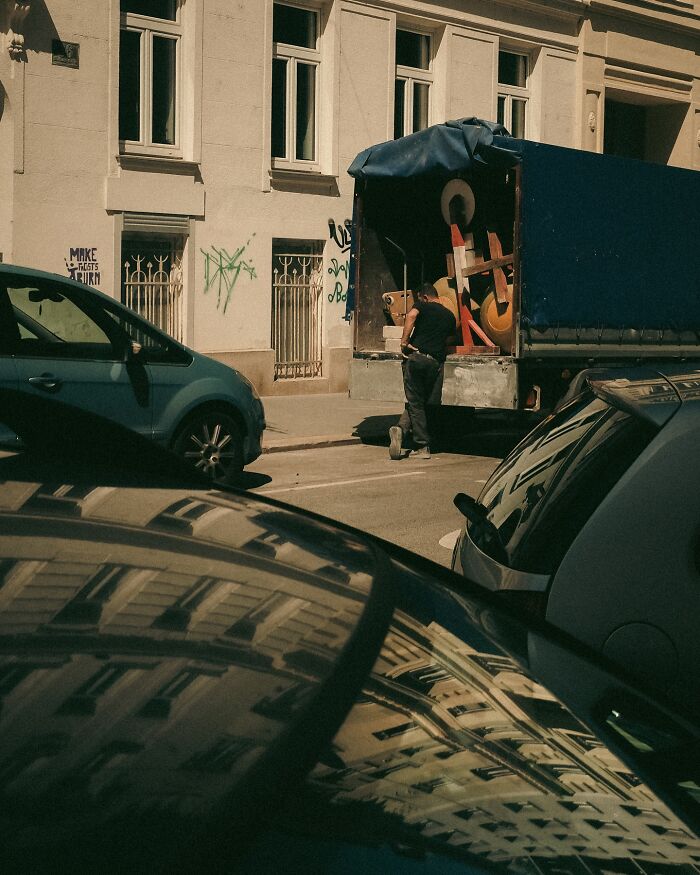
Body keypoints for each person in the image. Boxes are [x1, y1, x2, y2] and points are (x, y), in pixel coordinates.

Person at [389, 282, 456, 460]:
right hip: (435, 363)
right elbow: (450, 340)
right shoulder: (450, 315)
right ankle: (401, 430)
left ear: (424, 297)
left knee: (415, 402)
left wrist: (404, 341)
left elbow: (411, 316)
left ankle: (422, 446)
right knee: (422, 402)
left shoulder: (422, 306)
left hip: (417, 359)